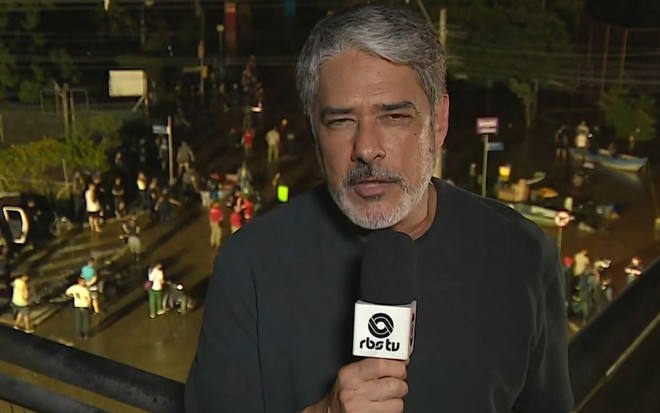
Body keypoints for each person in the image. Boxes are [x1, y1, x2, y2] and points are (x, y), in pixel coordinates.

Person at [185, 5, 573, 412]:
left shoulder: (522, 255)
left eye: (394, 116)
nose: (367, 148)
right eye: (340, 121)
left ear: (438, 122)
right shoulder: (250, 266)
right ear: (314, 132)